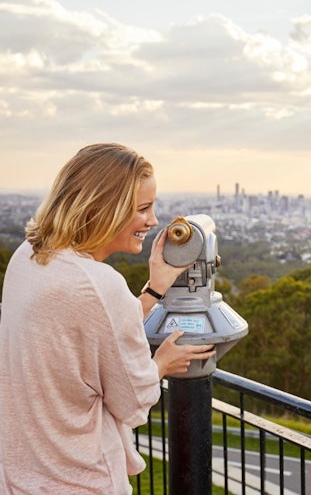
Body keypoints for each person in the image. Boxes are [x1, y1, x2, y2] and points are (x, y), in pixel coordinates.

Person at [0, 143, 216, 494]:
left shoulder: (28, 256)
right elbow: (132, 402)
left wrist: (154, 289)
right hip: (79, 479)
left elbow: (94, 324)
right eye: (143, 209)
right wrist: (160, 365)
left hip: (21, 475)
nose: (154, 220)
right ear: (105, 209)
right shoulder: (100, 285)